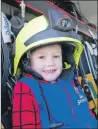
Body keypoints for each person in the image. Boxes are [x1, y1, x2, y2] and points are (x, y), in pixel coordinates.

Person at [12, 11, 97, 129]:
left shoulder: (70, 80)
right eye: (41, 57)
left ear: (65, 57)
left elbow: (88, 114)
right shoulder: (26, 87)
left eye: (56, 56)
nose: (50, 63)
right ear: (27, 60)